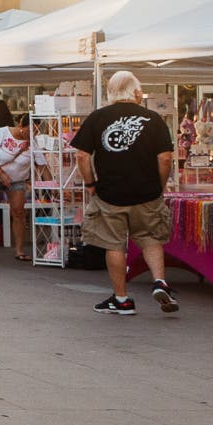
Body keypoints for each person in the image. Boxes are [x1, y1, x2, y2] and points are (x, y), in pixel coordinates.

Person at [73, 70, 179, 316]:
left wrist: (91, 184)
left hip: (110, 194)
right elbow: (165, 158)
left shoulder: (98, 118)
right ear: (138, 93)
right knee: (151, 238)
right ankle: (160, 282)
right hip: (147, 193)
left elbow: (81, 155)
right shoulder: (154, 119)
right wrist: (160, 185)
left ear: (110, 94)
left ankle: (121, 299)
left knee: (114, 245)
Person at [0, 102, 34, 262]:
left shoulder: (33, 141)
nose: (32, 134)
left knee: (18, 212)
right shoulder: (1, 133)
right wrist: (0, 172)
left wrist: (48, 184)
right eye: (30, 130)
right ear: (22, 126)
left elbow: (41, 164)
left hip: (18, 179)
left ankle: (19, 250)